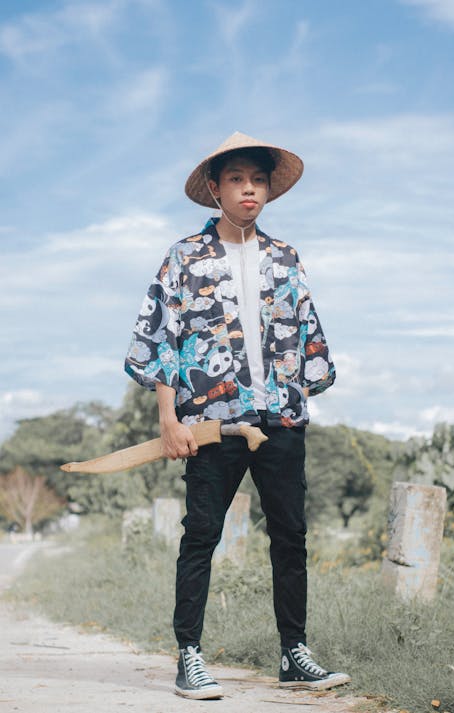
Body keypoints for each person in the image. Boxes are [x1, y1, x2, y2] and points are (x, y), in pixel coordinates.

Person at [124, 131, 351, 700]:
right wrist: (169, 419)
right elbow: (162, 339)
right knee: (201, 533)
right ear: (214, 188)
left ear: (268, 189)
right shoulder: (185, 258)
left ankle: (294, 654)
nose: (248, 189)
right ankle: (190, 656)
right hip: (211, 421)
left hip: (279, 419)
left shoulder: (285, 256)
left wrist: (298, 395)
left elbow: (307, 332)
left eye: (257, 180)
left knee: (290, 537)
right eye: (236, 179)